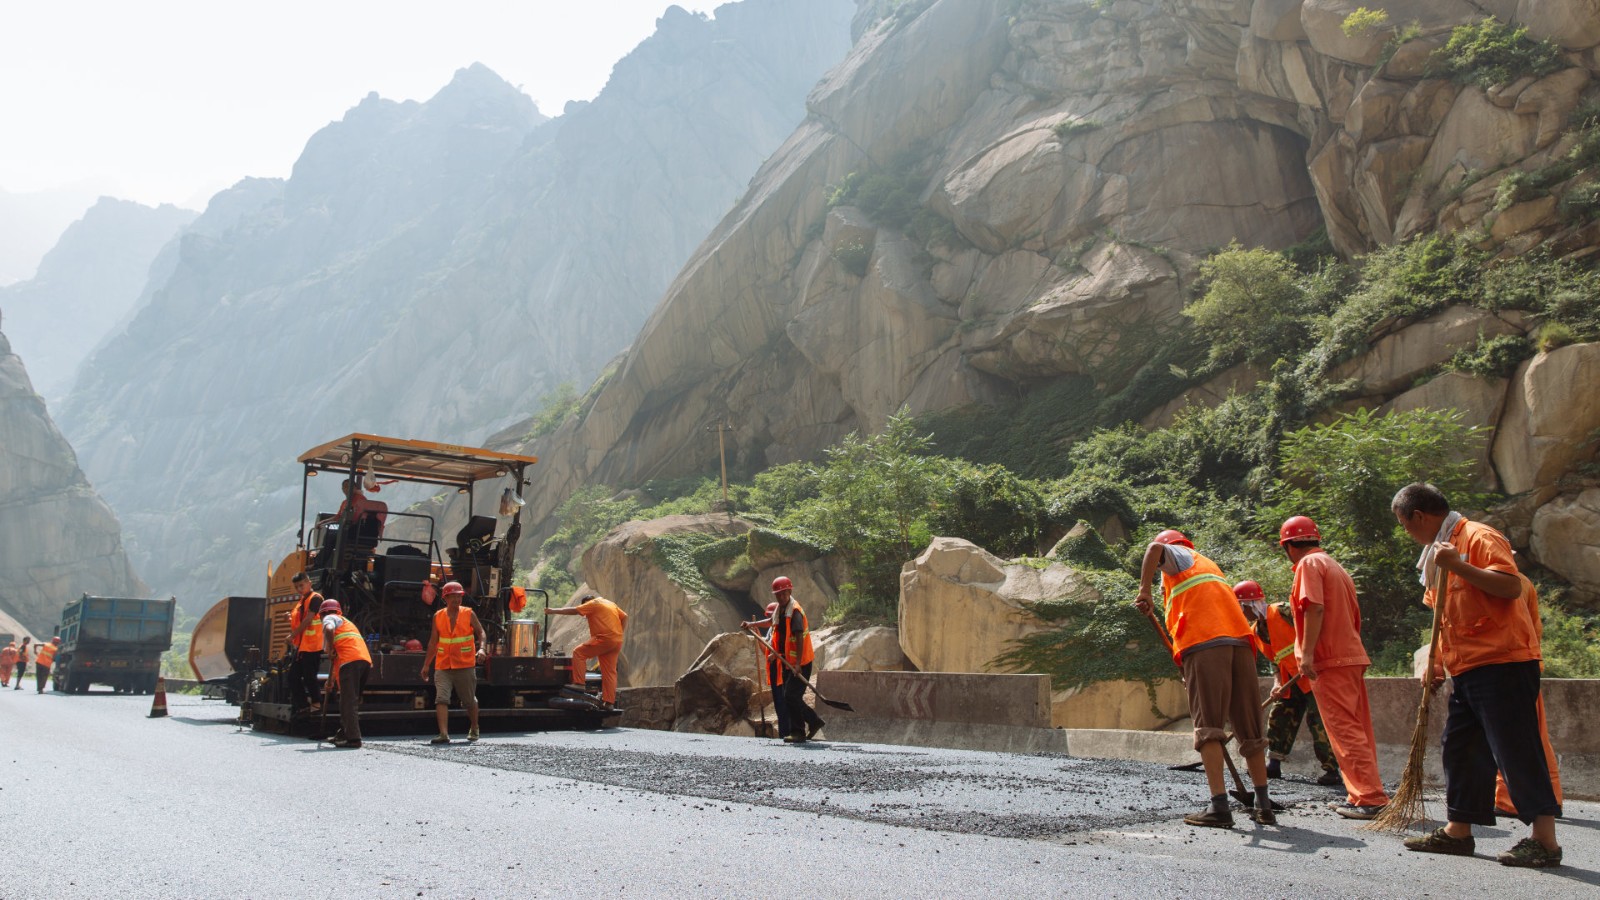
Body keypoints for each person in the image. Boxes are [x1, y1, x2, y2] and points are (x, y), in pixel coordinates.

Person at [1392, 483, 1562, 868]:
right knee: (1461, 749)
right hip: (1467, 667)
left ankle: (1545, 840)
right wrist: (1434, 665)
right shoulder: (1436, 555)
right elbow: (1444, 618)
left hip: (1503, 662)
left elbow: (1509, 585)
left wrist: (1459, 566)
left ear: (1419, 516)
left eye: (1404, 525)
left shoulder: (1477, 537)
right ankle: (1459, 831)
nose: (1407, 533)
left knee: (1516, 750)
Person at [1136, 530, 1272, 827]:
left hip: (1206, 644)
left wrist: (1144, 590)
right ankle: (1264, 804)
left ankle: (1219, 807)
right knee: (1249, 726)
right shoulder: (1208, 568)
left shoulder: (1181, 557)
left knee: (1207, 726)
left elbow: (1154, 547)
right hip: (1239, 645)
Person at [1277, 515, 1388, 820]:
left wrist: (1308, 654)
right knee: (1356, 727)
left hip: (1331, 659)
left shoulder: (1309, 565)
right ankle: (1361, 793)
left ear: (1288, 546)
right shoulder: (1335, 566)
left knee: (1344, 730)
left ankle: (1370, 797)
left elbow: (1314, 607)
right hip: (1349, 656)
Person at [1237, 580, 1342, 788]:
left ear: (1249, 604)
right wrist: (1277, 683)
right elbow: (1275, 660)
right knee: (1280, 716)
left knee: (1318, 722)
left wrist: (1309, 658)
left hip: (1313, 675)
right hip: (1290, 681)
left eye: (1241, 608)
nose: (1242, 613)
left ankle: (1332, 770)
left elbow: (1314, 627)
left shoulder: (1283, 611)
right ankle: (1273, 764)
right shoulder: (1257, 631)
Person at [421, 581, 486, 744]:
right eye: (453, 597)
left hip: (464, 664)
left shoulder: (469, 614)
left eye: (459, 596)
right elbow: (433, 642)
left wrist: (482, 648)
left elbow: (481, 632)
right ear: (446, 598)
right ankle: (443, 734)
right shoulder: (438, 616)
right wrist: (426, 665)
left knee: (469, 700)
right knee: (441, 698)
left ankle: (474, 727)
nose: (457, 600)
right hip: (443, 665)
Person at [547, 593, 628, 710]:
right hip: (616, 641)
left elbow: (574, 610)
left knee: (578, 653)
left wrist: (552, 611)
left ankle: (579, 684)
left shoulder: (593, 604)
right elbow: (625, 616)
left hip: (604, 638)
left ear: (587, 602)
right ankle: (609, 703)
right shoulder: (610, 603)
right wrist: (620, 633)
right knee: (609, 672)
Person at [319, 598, 371, 749]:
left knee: (347, 702)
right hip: (363, 661)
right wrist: (331, 682)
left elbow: (329, 629)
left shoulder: (330, 618)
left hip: (350, 661)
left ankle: (354, 739)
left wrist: (330, 645)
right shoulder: (347, 624)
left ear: (322, 615)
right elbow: (336, 660)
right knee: (349, 700)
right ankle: (344, 733)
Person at [740, 601, 787, 739]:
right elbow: (765, 650)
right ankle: (784, 733)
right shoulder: (772, 631)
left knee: (784, 702)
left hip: (783, 670)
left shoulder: (783, 629)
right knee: (778, 701)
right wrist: (759, 636)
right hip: (774, 670)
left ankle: (789, 731)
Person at [285, 572, 325, 712]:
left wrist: (292, 635)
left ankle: (316, 703)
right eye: (297, 587)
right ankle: (303, 705)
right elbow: (300, 620)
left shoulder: (315, 598)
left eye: (301, 585)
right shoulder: (302, 601)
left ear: (309, 582)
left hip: (313, 645)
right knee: (292, 677)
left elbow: (308, 620)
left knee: (309, 677)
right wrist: (290, 619)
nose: (299, 589)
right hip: (303, 646)